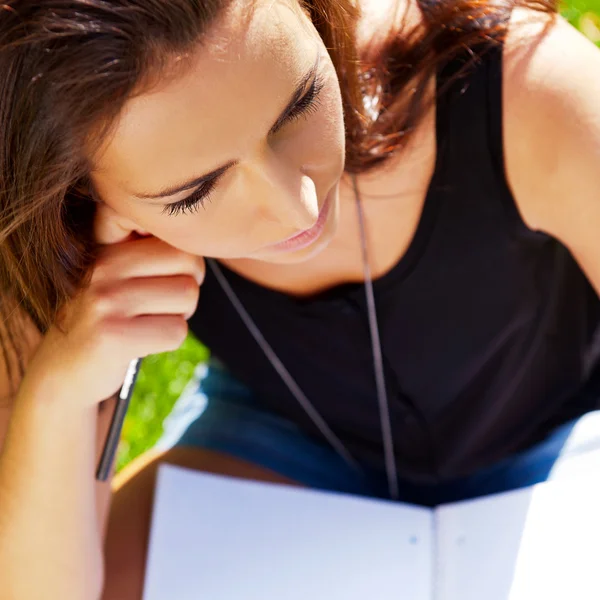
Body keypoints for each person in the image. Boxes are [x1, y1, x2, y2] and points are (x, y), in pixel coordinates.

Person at [1, 0, 600, 597]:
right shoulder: (53, 238)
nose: (301, 207)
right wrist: (58, 393)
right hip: (283, 438)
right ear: (79, 194)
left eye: (301, 103)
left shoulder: (521, 85)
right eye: (197, 191)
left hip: (561, 428)